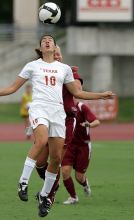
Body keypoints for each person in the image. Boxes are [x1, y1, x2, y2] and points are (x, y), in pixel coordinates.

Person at [0, 34, 114, 217]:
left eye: (51, 40)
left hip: (58, 114)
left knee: (55, 159)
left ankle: (45, 196)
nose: (47, 41)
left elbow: (78, 92)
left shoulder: (64, 69)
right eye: (44, 40)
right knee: (40, 141)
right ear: (40, 47)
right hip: (39, 109)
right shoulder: (32, 66)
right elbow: (12, 88)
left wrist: (101, 95)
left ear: (54, 48)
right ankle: (23, 182)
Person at [35, 45, 83, 204]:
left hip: (66, 120)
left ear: (61, 56)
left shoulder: (69, 71)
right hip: (47, 118)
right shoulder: (41, 70)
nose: (56, 56)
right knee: (40, 162)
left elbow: (78, 89)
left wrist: (63, 76)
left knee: (56, 158)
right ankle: (51, 185)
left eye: (58, 54)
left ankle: (48, 194)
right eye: (53, 54)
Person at [62, 100, 100, 204]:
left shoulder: (82, 107)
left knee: (79, 177)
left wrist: (88, 124)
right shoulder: (62, 106)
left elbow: (97, 122)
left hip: (83, 146)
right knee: (65, 171)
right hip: (68, 145)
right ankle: (73, 197)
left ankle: (85, 184)